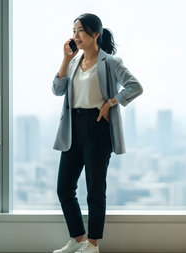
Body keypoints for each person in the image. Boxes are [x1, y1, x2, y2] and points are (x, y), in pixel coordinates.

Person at [51, 13, 143, 253]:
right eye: (73, 31)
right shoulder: (72, 63)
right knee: (64, 188)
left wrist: (111, 102)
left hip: (97, 126)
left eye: (80, 30)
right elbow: (57, 90)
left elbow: (135, 87)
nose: (76, 36)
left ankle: (93, 244)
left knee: (95, 188)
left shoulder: (110, 62)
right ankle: (78, 239)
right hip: (73, 126)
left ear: (95, 34)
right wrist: (65, 59)